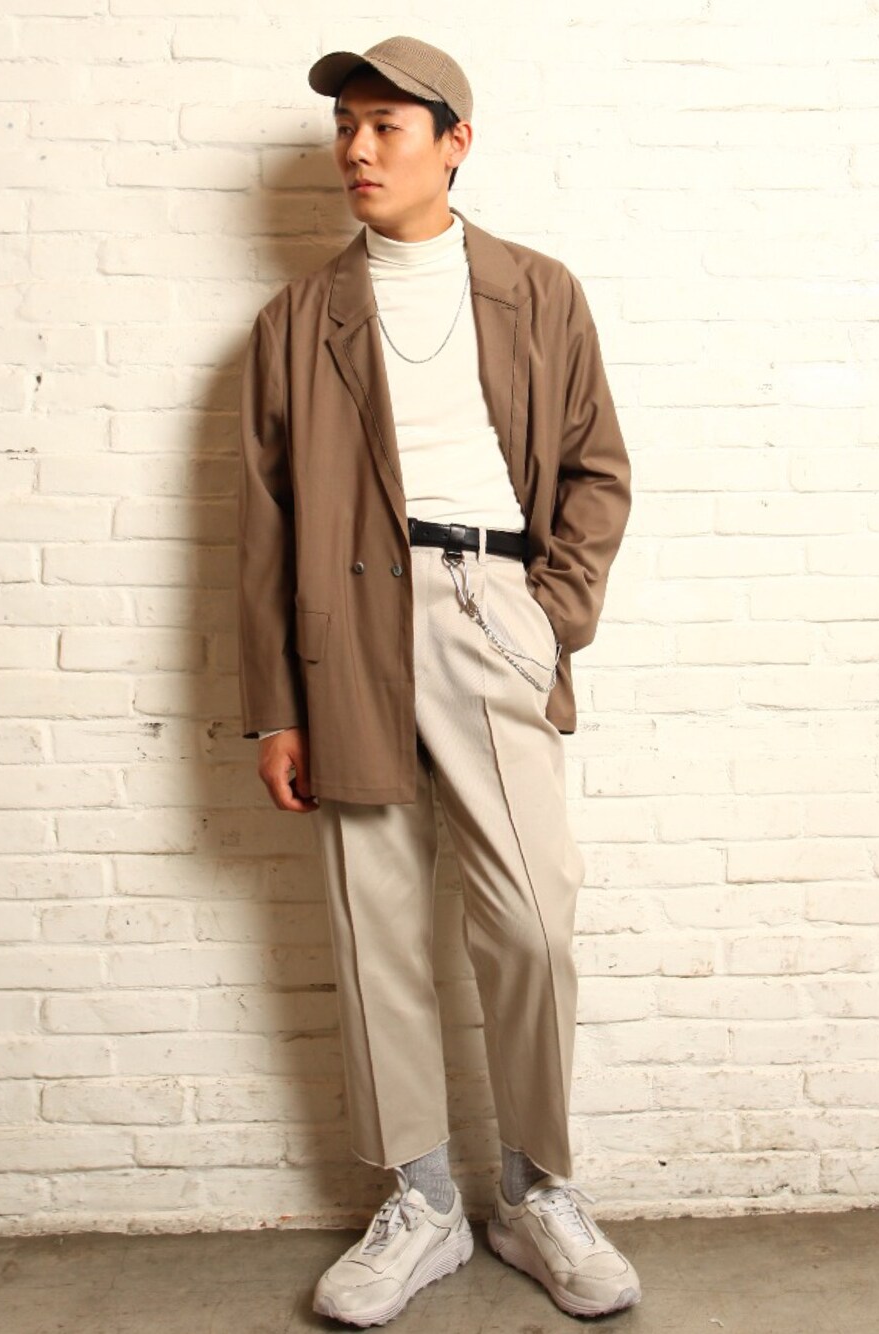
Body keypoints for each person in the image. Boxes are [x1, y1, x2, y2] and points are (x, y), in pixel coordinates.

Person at [237, 34, 639, 1327]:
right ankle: (419, 1201)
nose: (356, 150)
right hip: (343, 631)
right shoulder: (296, 321)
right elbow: (264, 522)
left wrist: (549, 617)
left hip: (491, 607)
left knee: (532, 920)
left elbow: (596, 469)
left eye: (385, 127)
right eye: (344, 128)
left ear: (454, 142)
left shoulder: (538, 291)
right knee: (378, 927)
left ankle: (535, 1191)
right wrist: (277, 705)